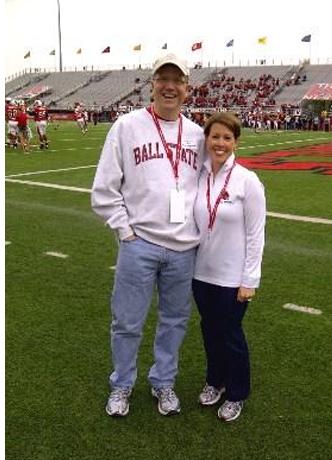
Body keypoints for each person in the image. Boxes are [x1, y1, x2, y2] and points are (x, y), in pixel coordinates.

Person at [91, 53, 206, 418]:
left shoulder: (197, 134)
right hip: (139, 244)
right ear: (152, 83)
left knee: (174, 321)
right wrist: (126, 232)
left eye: (177, 80)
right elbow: (104, 188)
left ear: (187, 88)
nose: (170, 86)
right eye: (163, 79)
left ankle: (163, 383)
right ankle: (122, 385)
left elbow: (209, 185)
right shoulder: (127, 127)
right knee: (127, 322)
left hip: (183, 248)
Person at [191, 112, 266, 422]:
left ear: (236, 142)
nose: (220, 143)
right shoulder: (199, 175)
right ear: (206, 139)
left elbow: (256, 233)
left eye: (226, 138)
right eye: (215, 137)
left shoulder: (247, 181)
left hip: (233, 278)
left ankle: (236, 393)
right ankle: (215, 380)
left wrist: (250, 279)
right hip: (201, 273)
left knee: (230, 335)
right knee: (209, 331)